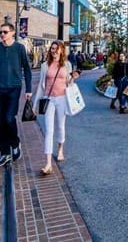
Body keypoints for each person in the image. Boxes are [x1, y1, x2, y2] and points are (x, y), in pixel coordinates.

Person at [0, 23, 32, 168]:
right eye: (1, 32)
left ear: (12, 33)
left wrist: (28, 89)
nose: (2, 34)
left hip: (14, 89)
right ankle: (5, 153)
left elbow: (27, 70)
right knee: (1, 121)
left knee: (9, 118)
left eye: (5, 32)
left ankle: (15, 144)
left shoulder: (19, 48)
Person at [34, 41, 79, 175]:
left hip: (62, 99)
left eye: (56, 49)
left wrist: (73, 78)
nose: (53, 51)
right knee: (49, 131)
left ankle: (60, 149)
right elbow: (41, 86)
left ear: (61, 50)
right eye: (52, 48)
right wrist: (35, 103)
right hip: (49, 100)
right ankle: (48, 163)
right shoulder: (44, 66)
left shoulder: (67, 65)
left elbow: (69, 83)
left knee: (60, 126)